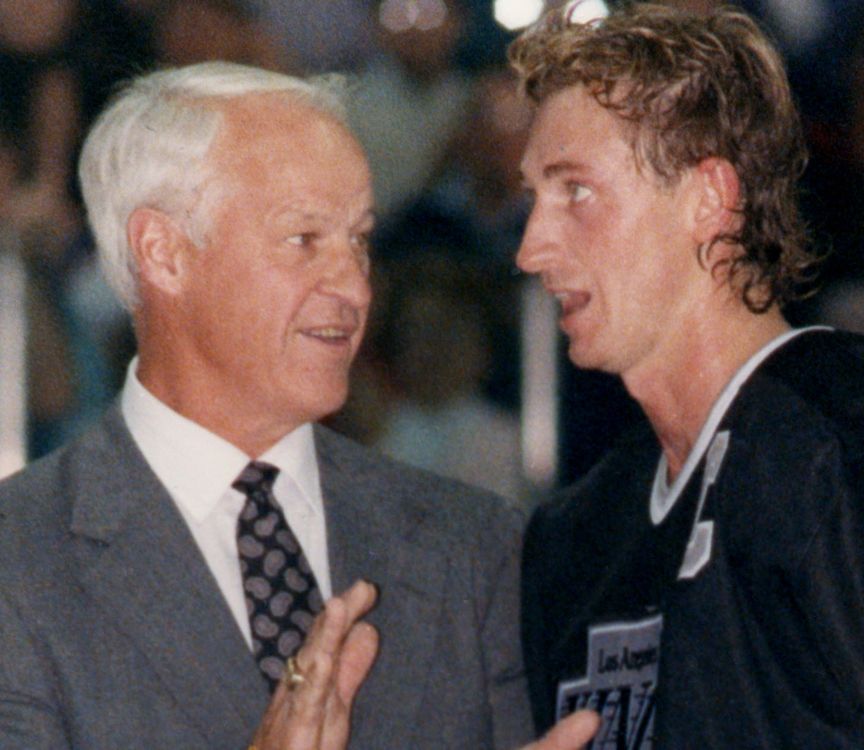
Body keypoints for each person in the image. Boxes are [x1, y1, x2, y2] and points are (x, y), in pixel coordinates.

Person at [0, 61, 595, 750]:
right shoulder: (20, 564)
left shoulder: (472, 547)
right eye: (304, 239)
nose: (354, 287)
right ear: (163, 253)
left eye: (360, 241)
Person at [509, 4, 864, 749]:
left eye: (574, 191)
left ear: (710, 198)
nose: (531, 248)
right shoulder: (575, 541)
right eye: (532, 199)